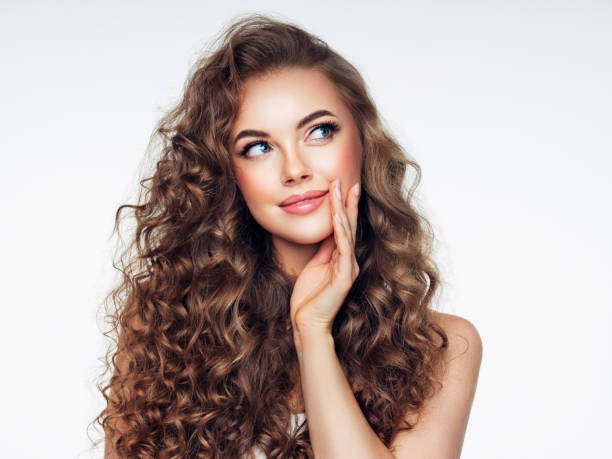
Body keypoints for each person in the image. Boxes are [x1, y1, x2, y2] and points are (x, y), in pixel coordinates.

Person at [92, 13, 482, 459]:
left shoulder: (443, 348)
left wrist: (312, 333)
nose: (294, 169)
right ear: (228, 173)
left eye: (319, 131)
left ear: (363, 140)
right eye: (258, 147)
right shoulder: (163, 322)